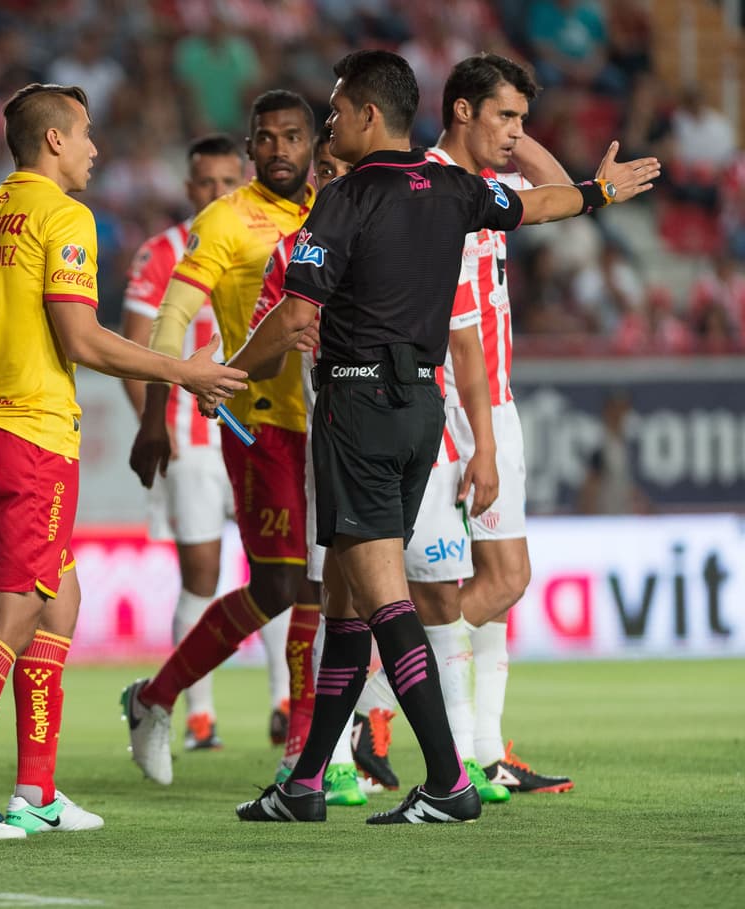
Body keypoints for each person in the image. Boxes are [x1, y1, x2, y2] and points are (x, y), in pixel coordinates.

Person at [222, 49, 657, 824]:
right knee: (352, 601)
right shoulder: (452, 189)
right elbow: (536, 209)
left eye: (334, 111)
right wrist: (597, 193)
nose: (329, 124)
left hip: (356, 404)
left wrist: (229, 372)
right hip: (422, 410)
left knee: (382, 598)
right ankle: (306, 781)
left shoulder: (347, 198)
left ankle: (450, 778)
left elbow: (295, 317)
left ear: (364, 115)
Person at [0, 83, 247, 842]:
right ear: (53, 140)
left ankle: (37, 790)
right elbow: (82, 340)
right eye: (86, 134)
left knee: (60, 600)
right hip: (31, 432)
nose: (95, 148)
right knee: (14, 608)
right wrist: (182, 371)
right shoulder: (64, 218)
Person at [353, 54, 580, 798]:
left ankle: (468, 740)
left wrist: (519, 132)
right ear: (459, 111)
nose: (517, 134)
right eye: (505, 117)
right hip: (443, 402)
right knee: (451, 587)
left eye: (521, 119)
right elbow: (453, 326)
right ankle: (399, 713)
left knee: (503, 577)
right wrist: (479, 435)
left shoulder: (491, 187)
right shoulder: (427, 189)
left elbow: (563, 195)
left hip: (496, 399)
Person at [123, 90, 320, 788]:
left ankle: (315, 746)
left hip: (334, 420)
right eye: (265, 139)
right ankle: (155, 698)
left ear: (311, 141)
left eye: (291, 137)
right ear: (251, 149)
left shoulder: (333, 206)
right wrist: (156, 412)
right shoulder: (228, 220)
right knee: (284, 584)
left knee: (324, 584)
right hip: (264, 423)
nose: (278, 151)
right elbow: (171, 316)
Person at [247, 126, 371, 806]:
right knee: (336, 599)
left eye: (339, 165)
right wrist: (231, 372)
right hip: (337, 435)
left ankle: (436, 754)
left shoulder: (400, 228)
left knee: (398, 598)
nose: (327, 179)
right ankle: (335, 752)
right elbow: (276, 328)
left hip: (409, 428)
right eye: (323, 168)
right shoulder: (294, 250)